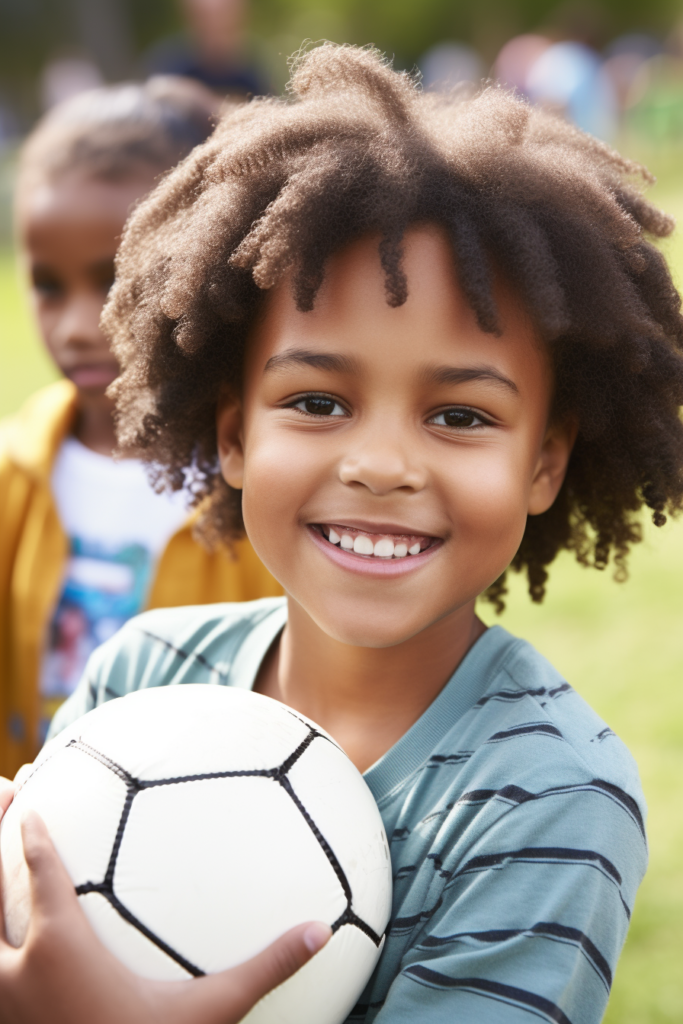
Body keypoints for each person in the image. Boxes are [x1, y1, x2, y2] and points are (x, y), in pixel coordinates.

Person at [3, 42, 683, 1024]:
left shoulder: (544, 798)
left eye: (458, 416)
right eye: (317, 399)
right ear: (235, 432)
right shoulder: (140, 678)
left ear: (543, 461)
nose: (379, 464)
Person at [0, 76, 281, 779]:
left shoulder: (266, 485)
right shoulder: (12, 475)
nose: (74, 327)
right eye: (47, 285)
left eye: (116, 281)